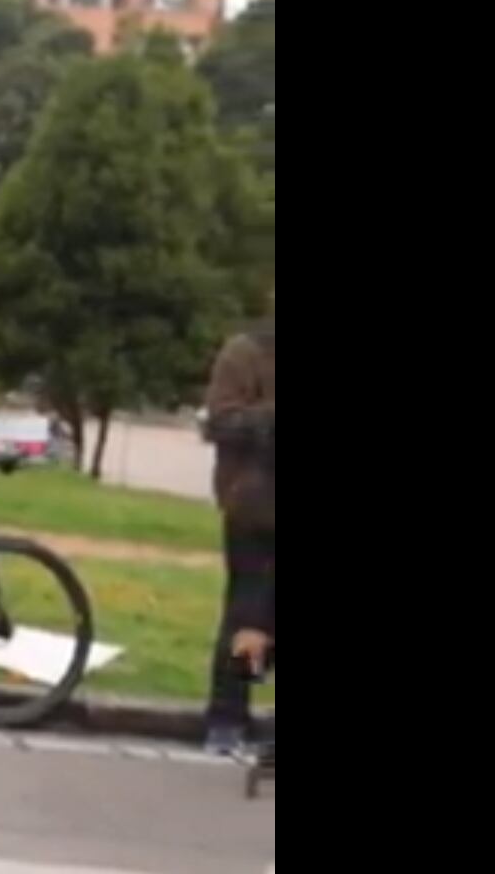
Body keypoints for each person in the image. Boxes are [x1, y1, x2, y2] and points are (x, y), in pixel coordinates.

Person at [200, 311, 274, 756]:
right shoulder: (245, 353)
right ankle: (227, 716)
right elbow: (220, 421)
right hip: (254, 505)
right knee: (248, 614)